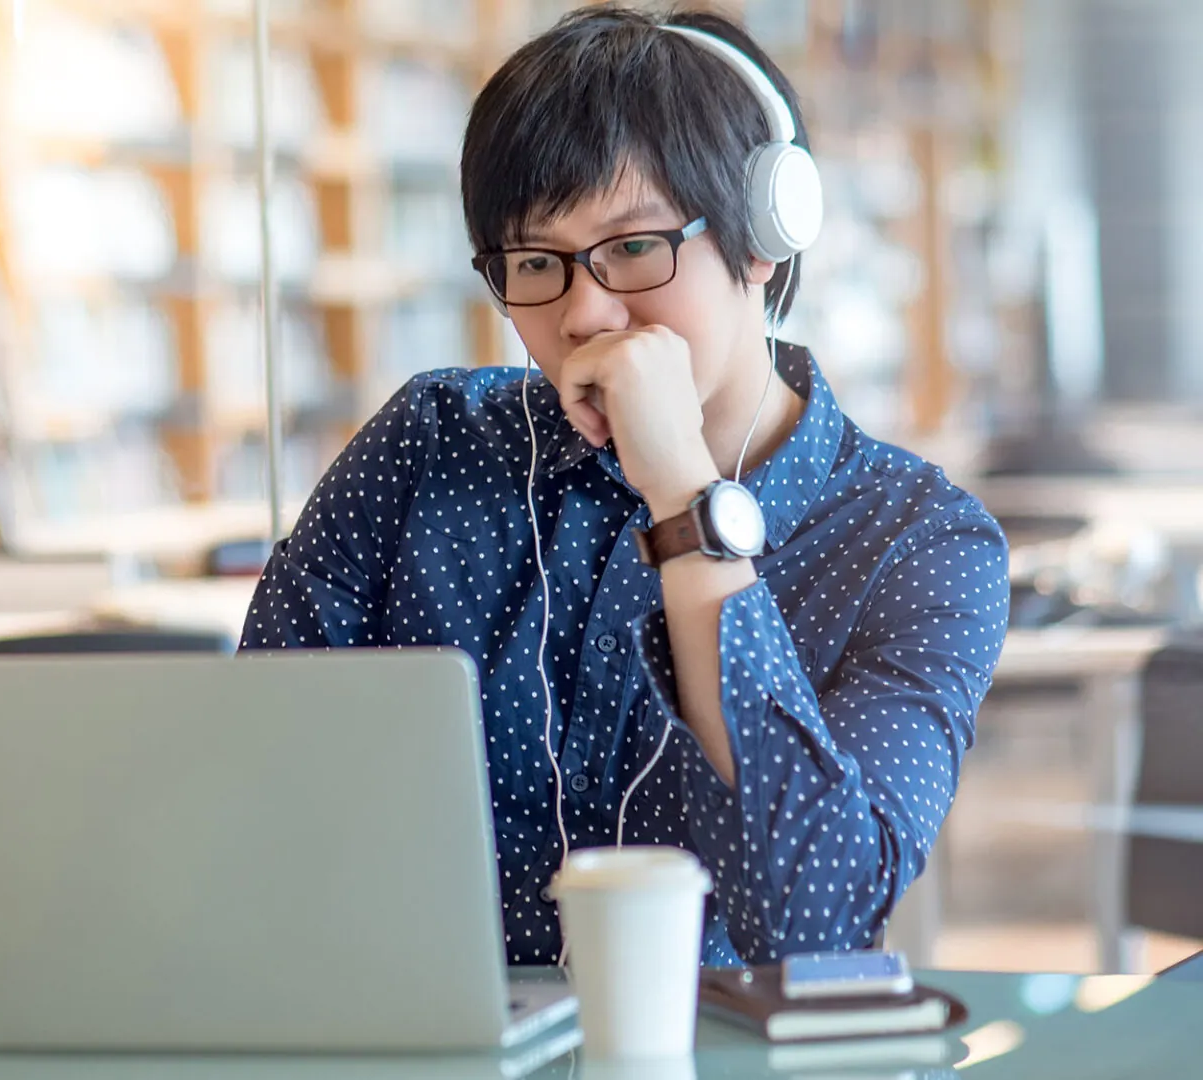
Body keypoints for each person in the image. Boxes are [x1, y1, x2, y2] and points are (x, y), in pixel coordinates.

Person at [238, 4, 1010, 967]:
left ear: (765, 239)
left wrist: (684, 495)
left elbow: (815, 925)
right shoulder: (428, 446)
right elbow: (248, 798)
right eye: (536, 263)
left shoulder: (918, 544)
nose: (586, 310)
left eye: (636, 247)